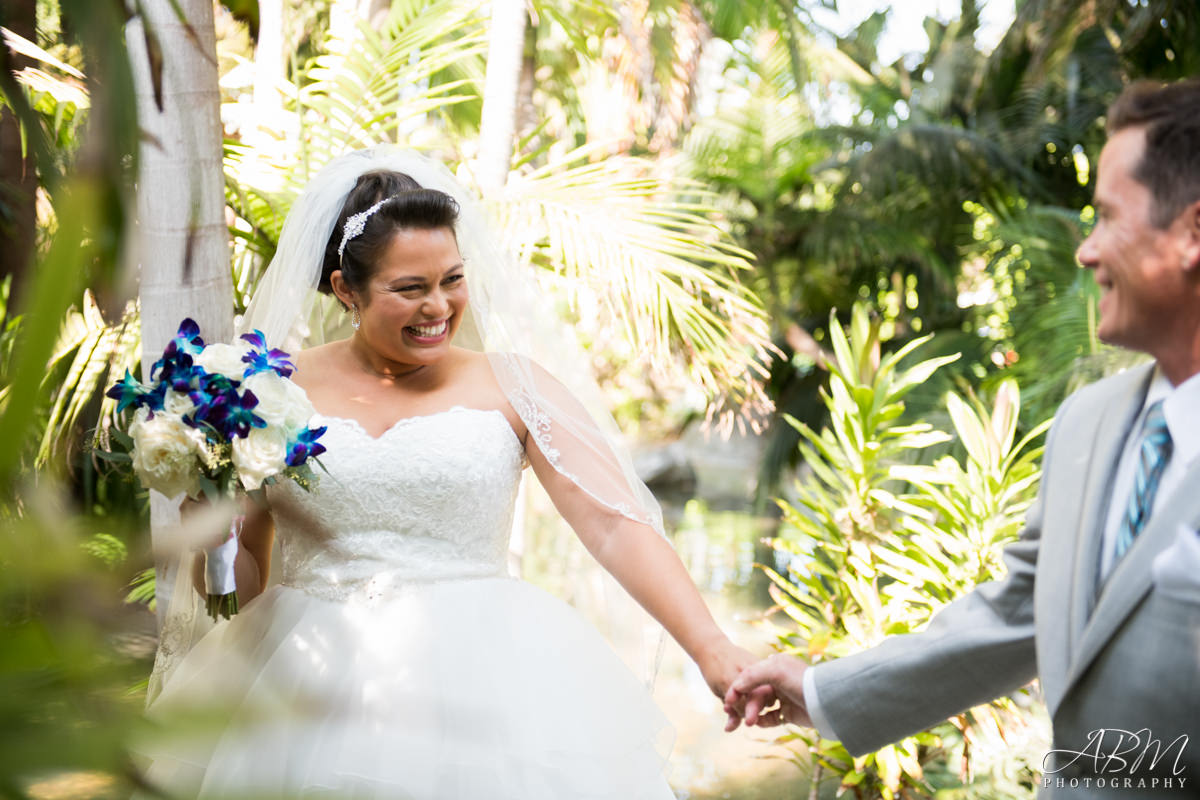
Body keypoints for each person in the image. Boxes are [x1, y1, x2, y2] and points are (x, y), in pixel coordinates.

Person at [134, 148, 763, 799]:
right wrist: (213, 536)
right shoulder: (264, 392)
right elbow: (243, 591)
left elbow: (611, 523)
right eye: (409, 289)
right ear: (345, 289)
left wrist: (711, 646)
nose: (439, 306)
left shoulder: (515, 385)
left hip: (492, 687)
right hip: (300, 688)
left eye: (452, 279)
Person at [725, 78, 1200, 797]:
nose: (1085, 252)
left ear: (1192, 233)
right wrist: (824, 692)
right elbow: (1017, 610)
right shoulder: (1087, 421)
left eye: (1106, 218)